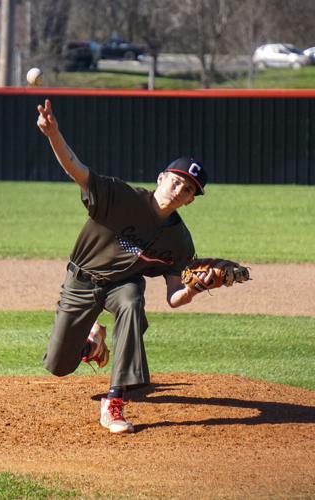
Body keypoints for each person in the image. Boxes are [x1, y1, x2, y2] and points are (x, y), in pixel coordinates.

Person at [36, 99, 210, 434]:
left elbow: (174, 296)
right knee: (58, 366)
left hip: (122, 286)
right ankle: (92, 340)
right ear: (161, 178)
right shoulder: (121, 197)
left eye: (188, 190)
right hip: (81, 282)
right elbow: (76, 169)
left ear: (190, 201)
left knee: (132, 302)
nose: (179, 190)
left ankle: (114, 402)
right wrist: (53, 134)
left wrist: (196, 287)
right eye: (176, 181)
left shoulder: (179, 241)